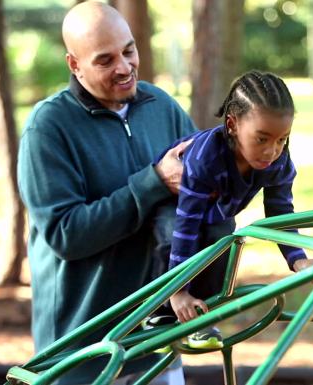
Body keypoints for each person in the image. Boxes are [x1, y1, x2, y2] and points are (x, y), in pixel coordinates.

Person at [16, 2, 195, 384]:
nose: (125, 67)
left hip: (156, 348)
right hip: (81, 358)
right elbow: (67, 235)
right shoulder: (48, 129)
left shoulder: (161, 107)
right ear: (74, 65)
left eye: (129, 50)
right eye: (105, 60)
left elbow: (202, 197)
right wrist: (153, 182)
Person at [146, 70, 313, 350]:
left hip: (213, 210)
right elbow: (186, 224)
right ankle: (158, 312)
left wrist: (297, 260)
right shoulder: (206, 159)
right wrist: (177, 292)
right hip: (173, 203)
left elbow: (280, 213)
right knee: (173, 236)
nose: (271, 151)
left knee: (225, 235)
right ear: (232, 125)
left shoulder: (277, 162)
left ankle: (202, 317)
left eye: (282, 139)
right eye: (262, 139)